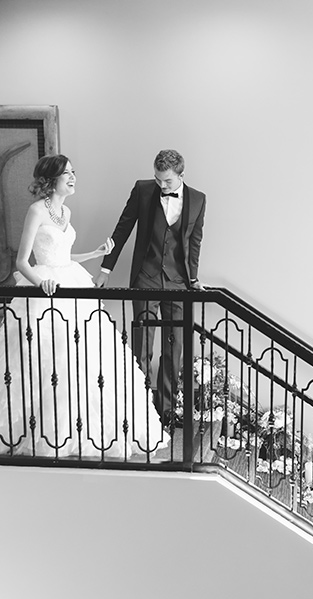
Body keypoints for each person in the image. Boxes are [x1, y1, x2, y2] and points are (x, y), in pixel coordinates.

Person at [0, 154, 169, 458]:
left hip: (70, 280)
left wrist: (94, 253)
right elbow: (22, 261)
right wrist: (41, 284)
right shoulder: (36, 211)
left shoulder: (65, 211)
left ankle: (84, 430)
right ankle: (44, 432)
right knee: (48, 360)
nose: (73, 177)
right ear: (51, 180)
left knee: (86, 358)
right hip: (46, 289)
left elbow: (64, 256)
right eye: (67, 173)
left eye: (73, 172)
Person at [95, 149, 206, 427]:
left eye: (167, 181)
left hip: (178, 283)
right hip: (146, 277)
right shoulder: (143, 190)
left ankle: (167, 411)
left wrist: (193, 278)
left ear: (181, 175)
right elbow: (122, 229)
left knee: (175, 347)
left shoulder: (199, 200)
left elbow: (194, 244)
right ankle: (139, 409)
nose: (161, 186)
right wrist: (105, 269)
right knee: (142, 345)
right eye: (158, 180)